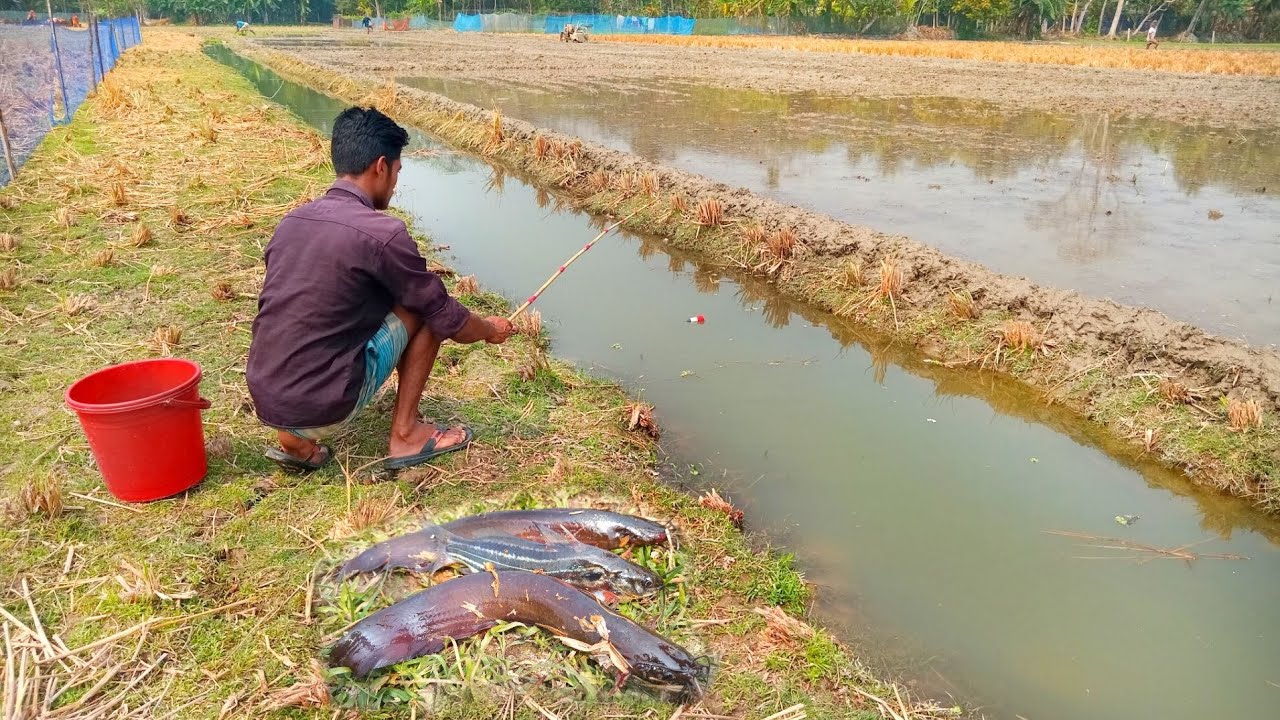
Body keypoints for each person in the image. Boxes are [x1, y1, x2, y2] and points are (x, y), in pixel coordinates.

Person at [246, 107, 514, 472]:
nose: (395, 184)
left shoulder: (292, 222)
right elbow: (447, 317)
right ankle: (406, 436)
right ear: (381, 166)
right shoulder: (383, 234)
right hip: (326, 405)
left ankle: (294, 438)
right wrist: (489, 329)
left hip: (267, 398)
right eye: (398, 172)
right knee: (423, 307)